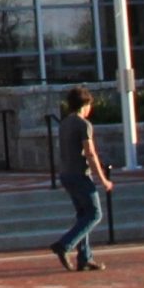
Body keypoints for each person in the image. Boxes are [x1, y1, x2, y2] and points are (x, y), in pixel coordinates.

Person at [49, 85, 115, 272]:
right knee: (95, 214)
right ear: (85, 104)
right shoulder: (83, 125)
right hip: (79, 175)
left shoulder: (64, 124)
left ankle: (85, 257)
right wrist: (103, 179)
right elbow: (90, 153)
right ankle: (65, 244)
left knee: (83, 215)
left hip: (66, 174)